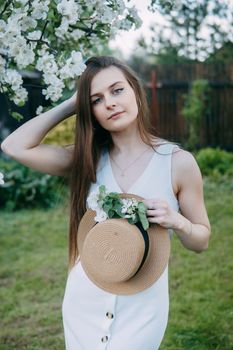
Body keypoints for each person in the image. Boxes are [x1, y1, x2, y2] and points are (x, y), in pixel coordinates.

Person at [1, 56, 211, 350]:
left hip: (143, 306)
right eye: (97, 100)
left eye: (117, 90)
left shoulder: (177, 163)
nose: (110, 103)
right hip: (84, 298)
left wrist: (178, 221)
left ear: (135, 91)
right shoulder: (85, 158)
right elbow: (13, 146)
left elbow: (201, 240)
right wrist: (73, 103)